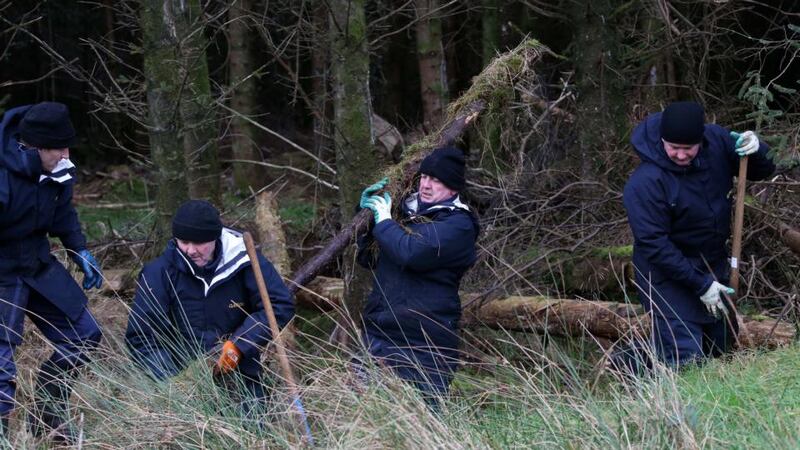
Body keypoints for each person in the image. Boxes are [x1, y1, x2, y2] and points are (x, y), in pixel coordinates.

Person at [622, 101, 775, 368]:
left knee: (718, 344)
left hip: (710, 263)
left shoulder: (716, 141)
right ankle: (632, 371)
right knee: (686, 355)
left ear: (700, 141)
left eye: (688, 149)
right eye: (674, 148)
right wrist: (701, 285)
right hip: (664, 273)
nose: (681, 155)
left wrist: (758, 149)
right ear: (662, 140)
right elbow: (654, 244)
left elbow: (761, 170)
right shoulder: (646, 182)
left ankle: (630, 364)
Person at [125, 200, 294, 412]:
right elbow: (140, 337)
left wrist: (238, 346)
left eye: (198, 243)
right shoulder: (158, 273)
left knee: (256, 437)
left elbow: (279, 305)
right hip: (181, 381)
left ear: (215, 237)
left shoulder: (244, 260)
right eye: (184, 242)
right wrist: (173, 384)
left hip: (243, 377)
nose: (190, 250)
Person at [0, 102, 104, 442]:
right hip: (2, 272)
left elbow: (63, 215)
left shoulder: (59, 169)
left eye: (67, 145)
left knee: (85, 334)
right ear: (33, 147)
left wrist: (79, 250)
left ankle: (48, 416)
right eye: (58, 148)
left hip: (37, 263)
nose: (65, 154)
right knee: (2, 361)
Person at [355, 146, 480, 405]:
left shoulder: (458, 225)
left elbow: (411, 253)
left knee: (421, 425)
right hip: (379, 335)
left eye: (436, 180)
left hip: (424, 344)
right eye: (424, 177)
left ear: (453, 187)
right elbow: (370, 258)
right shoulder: (404, 213)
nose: (426, 184)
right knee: (359, 416)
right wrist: (366, 215)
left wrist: (384, 221)